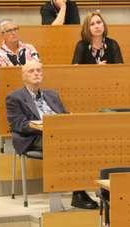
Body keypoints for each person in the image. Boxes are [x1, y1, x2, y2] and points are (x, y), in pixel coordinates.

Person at [6, 61, 99, 209]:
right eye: (31, 71)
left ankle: (91, 188)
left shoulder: (52, 94)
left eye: (38, 70)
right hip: (34, 137)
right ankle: (77, 193)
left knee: (89, 141)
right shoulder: (14, 97)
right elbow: (18, 124)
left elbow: (64, 115)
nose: (36, 73)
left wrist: (69, 118)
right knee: (67, 146)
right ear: (24, 76)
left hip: (60, 134)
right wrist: (41, 125)